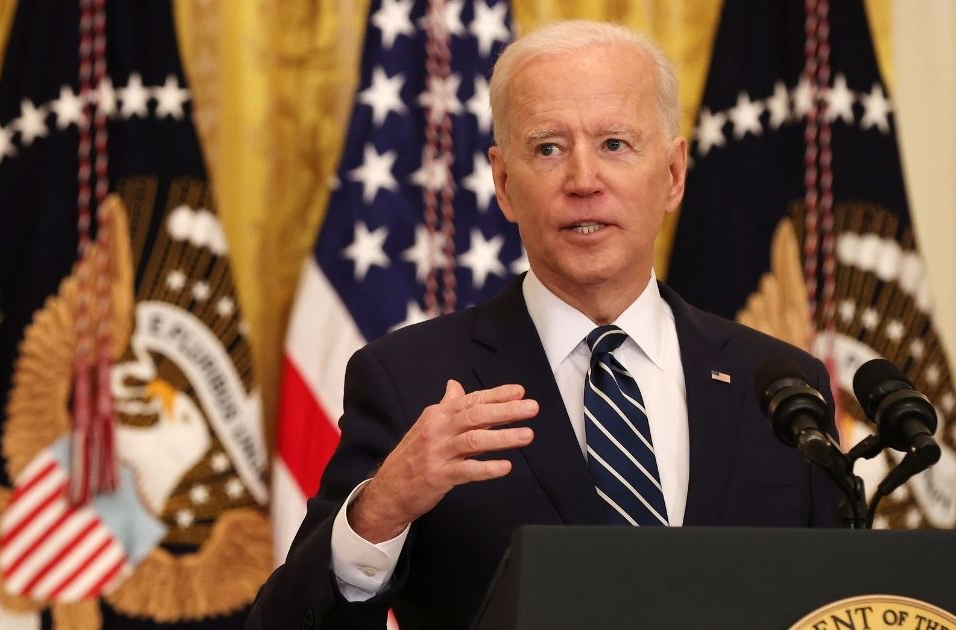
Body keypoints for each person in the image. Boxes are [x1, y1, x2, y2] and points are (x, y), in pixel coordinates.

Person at [247, 20, 838, 630]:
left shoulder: (780, 389)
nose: (584, 182)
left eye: (614, 144)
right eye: (548, 149)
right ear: (504, 184)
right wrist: (378, 513)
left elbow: (839, 604)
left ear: (673, 174)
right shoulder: (410, 379)